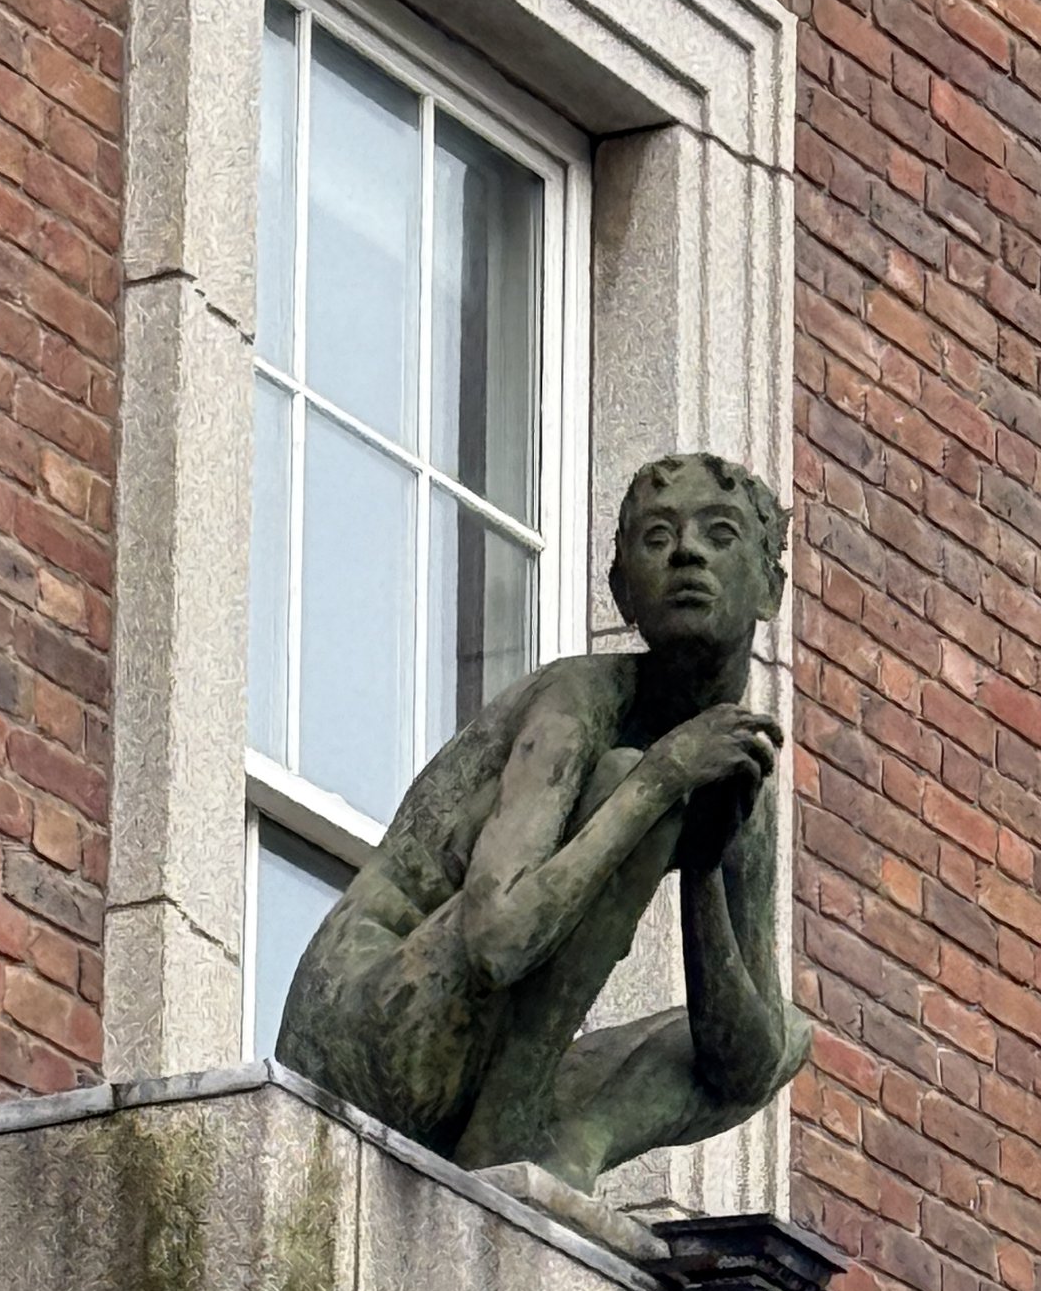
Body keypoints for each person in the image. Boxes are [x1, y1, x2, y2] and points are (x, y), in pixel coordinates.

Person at [276, 451, 813, 1192]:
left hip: (468, 1069)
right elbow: (496, 940)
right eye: (657, 537)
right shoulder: (577, 703)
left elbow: (744, 1064)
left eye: (718, 533)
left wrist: (703, 873)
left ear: (771, 588)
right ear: (624, 594)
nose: (686, 550)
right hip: (366, 1034)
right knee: (628, 774)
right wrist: (660, 781)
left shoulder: (731, 761)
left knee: (785, 1031)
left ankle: (565, 1146)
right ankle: (507, 1138)